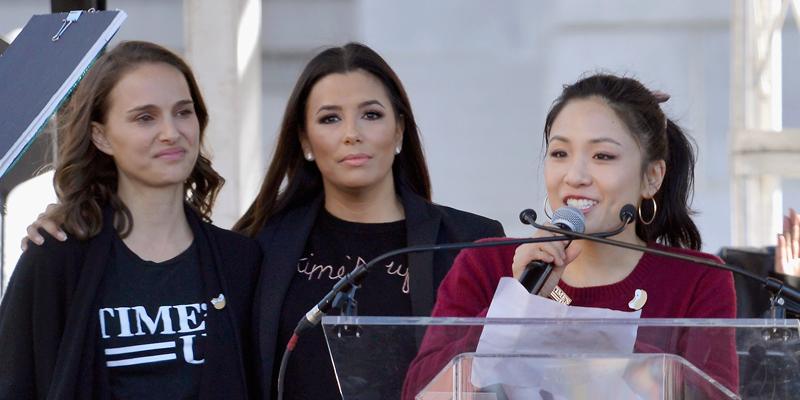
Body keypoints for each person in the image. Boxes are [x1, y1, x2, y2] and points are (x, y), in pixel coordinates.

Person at [20, 42, 504, 400]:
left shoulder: (471, 244)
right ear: (305, 141)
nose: (353, 135)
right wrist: (74, 215)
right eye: (331, 118)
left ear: (399, 129)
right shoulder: (259, 249)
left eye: (372, 115)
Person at [402, 73, 738, 398]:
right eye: (560, 153)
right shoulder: (486, 263)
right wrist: (516, 303)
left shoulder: (700, 279)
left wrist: (594, 339)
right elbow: (420, 391)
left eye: (602, 156)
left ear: (651, 177)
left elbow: (712, 395)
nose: (575, 176)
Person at [0, 41, 261, 399]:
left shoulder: (241, 263)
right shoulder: (55, 258)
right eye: (145, 117)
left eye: (183, 112)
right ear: (101, 136)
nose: (171, 132)